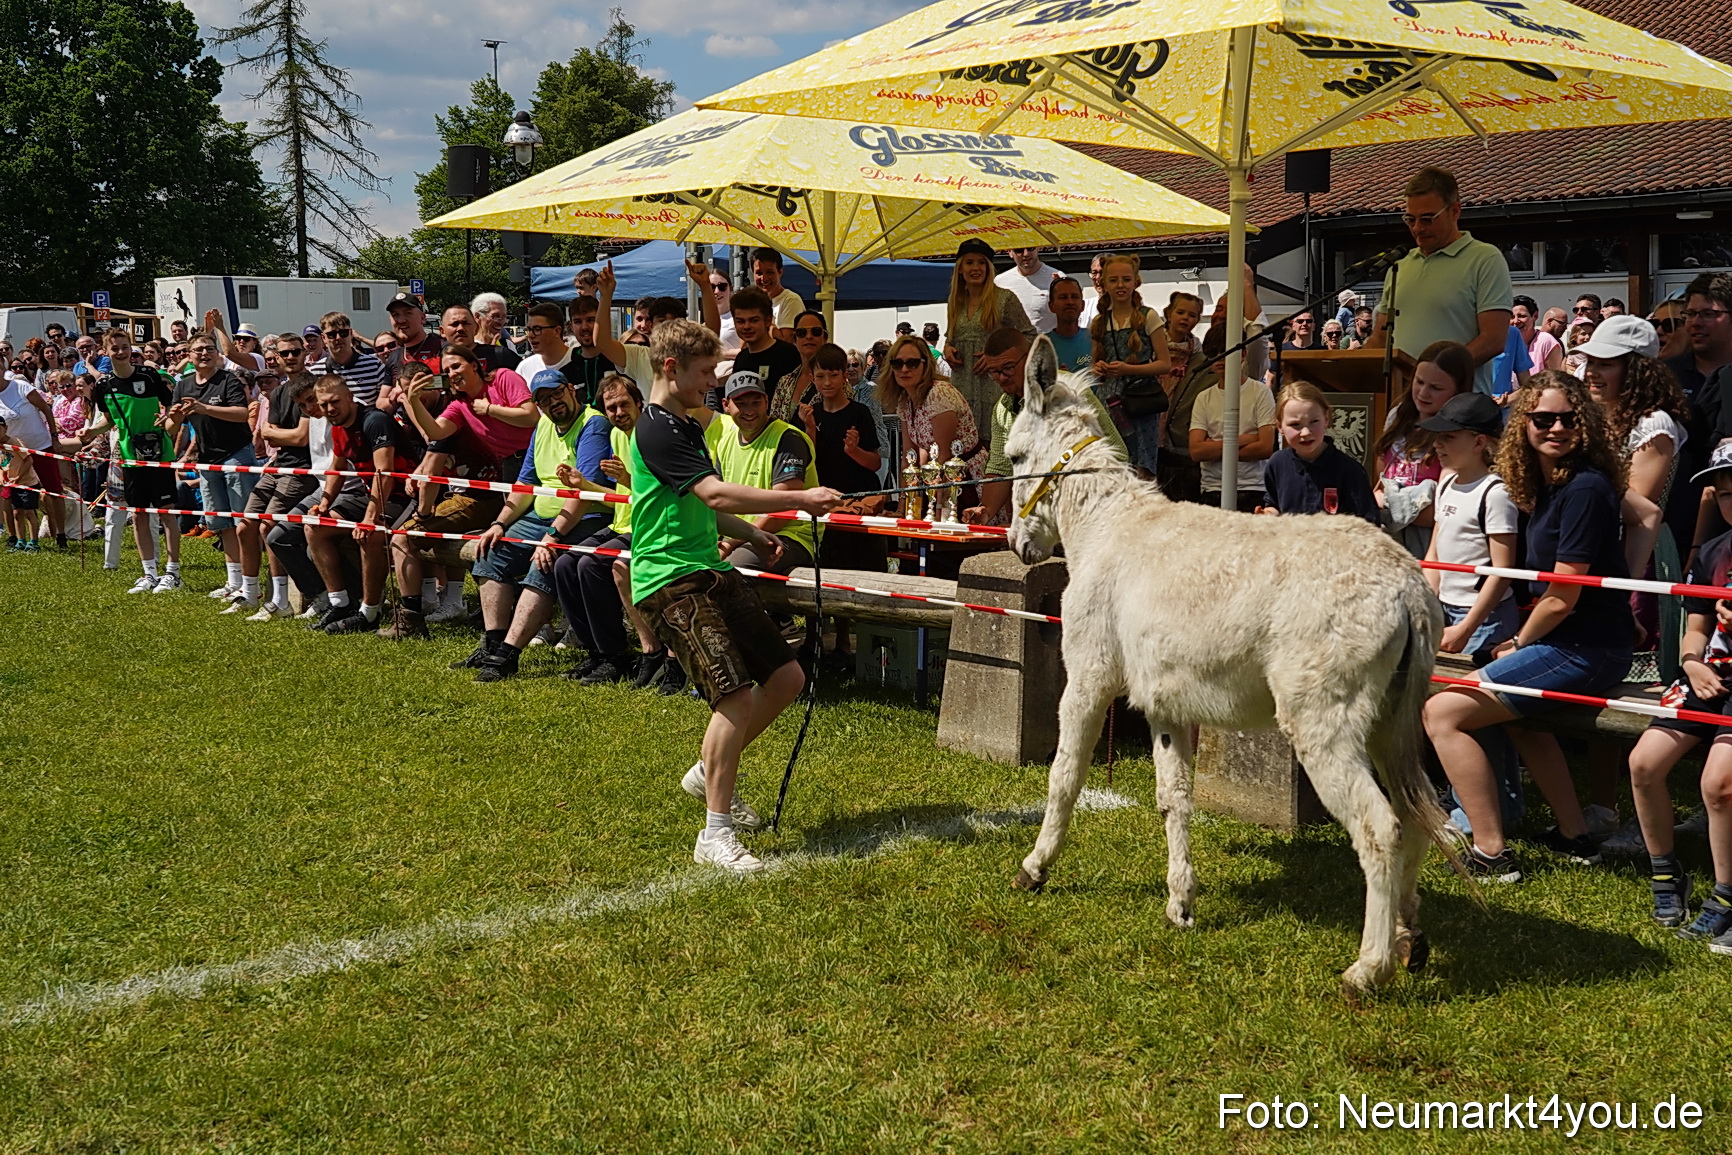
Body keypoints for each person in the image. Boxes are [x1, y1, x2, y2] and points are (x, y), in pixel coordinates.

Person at [626, 318, 841, 873]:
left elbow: (707, 506)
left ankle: (708, 772)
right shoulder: (656, 428)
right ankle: (715, 835)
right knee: (735, 697)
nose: (711, 385)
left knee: (788, 677)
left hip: (707, 568)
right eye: (704, 374)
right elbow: (715, 490)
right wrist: (799, 501)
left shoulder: (685, 425)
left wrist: (752, 533)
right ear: (670, 369)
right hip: (669, 580)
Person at [1424, 372, 1634, 883]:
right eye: (1543, 419)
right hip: (1578, 641)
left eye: (1568, 418)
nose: (1556, 427)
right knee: (1520, 718)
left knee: (1442, 714)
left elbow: (1562, 598)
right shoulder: (1546, 484)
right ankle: (1574, 835)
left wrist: (1516, 642)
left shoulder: (1583, 487)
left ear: (1584, 424)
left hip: (1585, 647)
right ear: (1525, 426)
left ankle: (1492, 853)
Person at [1624, 443, 1732, 940]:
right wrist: (1690, 663)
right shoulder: (1713, 551)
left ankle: (1728, 896)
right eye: (1725, 493)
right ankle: (1668, 875)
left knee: (1719, 785)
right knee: (1643, 763)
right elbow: (1694, 629)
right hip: (1708, 675)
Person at [463, 369, 613, 682]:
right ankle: (492, 644)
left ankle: (508, 655)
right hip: (540, 517)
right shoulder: (543, 425)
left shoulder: (593, 424)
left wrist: (552, 536)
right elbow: (525, 482)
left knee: (542, 564)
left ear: (572, 389)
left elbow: (582, 492)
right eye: (543, 399)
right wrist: (499, 523)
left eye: (557, 393)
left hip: (585, 518)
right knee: (489, 552)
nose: (552, 403)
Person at [384, 347, 536, 638]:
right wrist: (414, 401)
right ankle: (412, 621)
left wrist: (489, 409)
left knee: (536, 544)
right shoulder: (459, 405)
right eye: (447, 370)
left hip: (536, 463)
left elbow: (531, 416)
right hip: (507, 475)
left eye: (457, 366)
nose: (452, 373)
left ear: (475, 365)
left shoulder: (502, 378)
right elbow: (437, 432)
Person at [550, 372, 657, 687]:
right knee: (565, 563)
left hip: (649, 526)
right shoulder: (615, 436)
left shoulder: (652, 437)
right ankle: (596, 652)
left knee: (591, 564)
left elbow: (659, 493)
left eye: (624, 405)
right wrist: (582, 484)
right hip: (622, 522)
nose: (619, 413)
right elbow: (618, 497)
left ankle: (615, 655)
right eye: (611, 408)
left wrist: (626, 480)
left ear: (640, 403)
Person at [1370, 167, 1514, 395]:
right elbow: (1380, 337)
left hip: (1458, 409)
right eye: (1410, 219)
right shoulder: (1400, 266)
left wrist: (1432, 377)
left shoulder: (1485, 259)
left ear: (1455, 211)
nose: (1417, 228)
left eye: (1427, 219)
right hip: (1401, 406)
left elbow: (1493, 340)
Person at [963, 328, 1125, 527]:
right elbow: (1000, 468)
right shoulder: (1002, 409)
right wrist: (985, 510)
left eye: (1008, 367)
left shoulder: (1067, 390)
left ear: (1031, 359)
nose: (1002, 377)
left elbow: (1114, 454)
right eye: (994, 372)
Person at [301, 376, 418, 633]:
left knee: (370, 535)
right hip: (373, 494)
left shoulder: (374, 421)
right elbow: (337, 468)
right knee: (315, 526)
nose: (330, 409)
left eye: (335, 402)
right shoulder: (337, 425)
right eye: (324, 405)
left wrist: (369, 519)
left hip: (404, 495)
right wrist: (324, 504)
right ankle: (340, 604)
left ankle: (369, 613)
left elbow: (384, 473)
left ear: (350, 398)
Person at [1420, 391, 1520, 655]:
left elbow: (1503, 569)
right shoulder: (1446, 485)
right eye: (1438, 437)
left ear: (1478, 443)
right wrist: (1430, 602)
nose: (1438, 445)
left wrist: (1467, 627)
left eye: (1449, 437)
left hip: (1486, 617)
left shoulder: (1496, 493)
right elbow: (1435, 553)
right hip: (1445, 609)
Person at [82, 330, 182, 591]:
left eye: (125, 347)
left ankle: (172, 573)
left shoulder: (149, 376)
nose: (121, 352)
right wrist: (92, 431)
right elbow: (110, 419)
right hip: (129, 456)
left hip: (159, 453)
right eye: (115, 348)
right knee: (138, 514)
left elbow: (172, 405)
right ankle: (149, 573)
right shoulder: (103, 385)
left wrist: (168, 419)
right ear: (106, 351)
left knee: (166, 513)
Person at [168, 334, 259, 604]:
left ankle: (250, 583)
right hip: (207, 460)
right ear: (190, 356)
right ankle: (234, 582)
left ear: (217, 353)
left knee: (242, 521)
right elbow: (172, 428)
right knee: (221, 522)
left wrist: (204, 408)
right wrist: (173, 417)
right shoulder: (183, 385)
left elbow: (242, 414)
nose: (204, 353)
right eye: (198, 350)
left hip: (236, 455)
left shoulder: (228, 380)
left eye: (209, 348)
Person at [239, 335, 320, 620]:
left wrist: (275, 433)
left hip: (303, 468)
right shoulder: (277, 392)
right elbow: (267, 432)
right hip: (278, 463)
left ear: (303, 353)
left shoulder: (313, 388)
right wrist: (276, 434)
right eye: (284, 353)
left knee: (267, 527)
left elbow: (300, 437)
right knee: (245, 524)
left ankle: (280, 601)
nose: (291, 357)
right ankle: (248, 594)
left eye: (296, 351)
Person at [1374, 340, 1474, 556]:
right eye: (1419, 382)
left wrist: (1389, 504)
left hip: (1428, 543)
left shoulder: (1457, 433)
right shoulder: (1398, 415)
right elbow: (1380, 477)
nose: (1423, 393)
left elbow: (1442, 510)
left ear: (1458, 391)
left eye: (1436, 388)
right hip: (1388, 539)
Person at [943, 239, 1036, 436]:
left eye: (981, 262)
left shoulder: (1005, 298)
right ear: (960, 269)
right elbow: (950, 337)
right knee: (964, 448)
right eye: (969, 262)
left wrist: (996, 358)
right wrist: (947, 347)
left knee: (996, 446)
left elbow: (1029, 336)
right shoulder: (955, 302)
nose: (976, 268)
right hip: (962, 389)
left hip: (995, 387)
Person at [1089, 252, 1171, 476]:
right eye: (1113, 280)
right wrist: (1097, 368)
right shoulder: (1099, 321)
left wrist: (1129, 369)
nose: (1120, 285)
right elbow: (1094, 364)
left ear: (1136, 282)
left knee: (1140, 462)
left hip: (1139, 399)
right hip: (1109, 399)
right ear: (1104, 283)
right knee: (1111, 461)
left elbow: (1165, 364)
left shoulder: (1148, 316)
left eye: (1126, 279)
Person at [876, 332, 987, 498]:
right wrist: (903, 506)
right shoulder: (905, 400)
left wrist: (936, 509)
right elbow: (908, 458)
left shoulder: (939, 393)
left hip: (965, 479)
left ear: (926, 365)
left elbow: (945, 456)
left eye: (912, 363)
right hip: (938, 479)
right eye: (897, 363)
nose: (904, 369)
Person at [1260, 383, 1378, 523]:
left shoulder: (1349, 471)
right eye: (1295, 425)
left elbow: (1367, 523)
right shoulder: (1277, 464)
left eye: (1314, 422)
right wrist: (1268, 515)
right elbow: (1274, 504)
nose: (1305, 433)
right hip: (1291, 542)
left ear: (1326, 419)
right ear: (1280, 426)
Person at [1189, 323, 1276, 512]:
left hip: (1253, 487)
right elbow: (1196, 451)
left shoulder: (1260, 392)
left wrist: (1215, 447)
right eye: (1213, 354)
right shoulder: (1204, 397)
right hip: (1212, 488)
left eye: (1225, 352)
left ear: (1243, 354)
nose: (1219, 359)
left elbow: (1265, 447)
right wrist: (1245, 439)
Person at [0, 364, 65, 546]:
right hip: (12, 454)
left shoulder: (21, 387)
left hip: (40, 446)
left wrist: (54, 437)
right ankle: (14, 537)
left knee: (54, 490)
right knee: (8, 493)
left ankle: (61, 534)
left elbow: (45, 409)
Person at [715, 287, 799, 411]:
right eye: (740, 321)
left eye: (754, 320)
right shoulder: (741, 359)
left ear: (768, 320)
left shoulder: (788, 354)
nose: (747, 326)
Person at [307, 312, 387, 406]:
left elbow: (384, 405)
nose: (338, 338)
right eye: (332, 334)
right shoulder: (314, 372)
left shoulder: (375, 366)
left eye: (343, 333)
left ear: (350, 334)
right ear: (323, 338)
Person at [768, 309, 828, 423]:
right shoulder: (784, 382)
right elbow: (774, 424)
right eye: (802, 333)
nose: (809, 336)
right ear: (794, 339)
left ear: (825, 337)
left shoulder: (837, 381)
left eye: (815, 331)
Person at [996, 245, 1061, 334]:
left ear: (1038, 248)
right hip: (1014, 345)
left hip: (1047, 344)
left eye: (1030, 248)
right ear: (1010, 252)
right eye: (1019, 250)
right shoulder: (999, 282)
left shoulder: (1057, 278)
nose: (1026, 254)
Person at [382, 293, 444, 384]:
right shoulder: (394, 357)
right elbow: (382, 397)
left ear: (422, 318)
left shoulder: (442, 349)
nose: (401, 320)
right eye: (395, 315)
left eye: (408, 313)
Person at [566, 296, 615, 407]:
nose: (584, 327)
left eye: (591, 320)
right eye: (578, 322)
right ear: (571, 327)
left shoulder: (618, 361)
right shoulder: (566, 368)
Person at [440, 304, 517, 374]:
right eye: (454, 324)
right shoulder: (436, 363)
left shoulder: (500, 355)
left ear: (476, 328)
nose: (461, 328)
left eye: (466, 323)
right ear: (442, 331)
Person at [751, 246, 805, 339]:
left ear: (780, 272)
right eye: (759, 273)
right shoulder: (752, 302)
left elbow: (786, 341)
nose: (764, 278)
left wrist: (760, 321)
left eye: (769, 272)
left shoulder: (791, 300)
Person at [1045, 277, 1092, 373]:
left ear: (1082, 305)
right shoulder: (1044, 344)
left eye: (1075, 297)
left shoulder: (1096, 339)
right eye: (1063, 297)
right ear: (1051, 306)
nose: (1070, 302)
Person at [1512, 294, 1563, 375]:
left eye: (1521, 316)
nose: (1515, 321)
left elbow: (1555, 379)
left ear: (1535, 316)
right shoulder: (1505, 342)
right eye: (1511, 317)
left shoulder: (1546, 342)